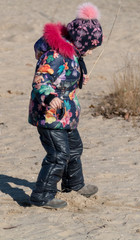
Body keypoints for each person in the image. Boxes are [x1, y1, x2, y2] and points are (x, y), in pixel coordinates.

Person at [28, 2, 103, 209]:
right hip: (49, 114)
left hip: (67, 113)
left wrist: (80, 79)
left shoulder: (73, 55)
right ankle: (41, 196)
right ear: (80, 42)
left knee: (75, 148)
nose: (90, 52)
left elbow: (65, 76)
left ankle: (74, 185)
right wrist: (50, 96)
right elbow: (40, 80)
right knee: (57, 155)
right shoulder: (54, 55)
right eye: (90, 48)